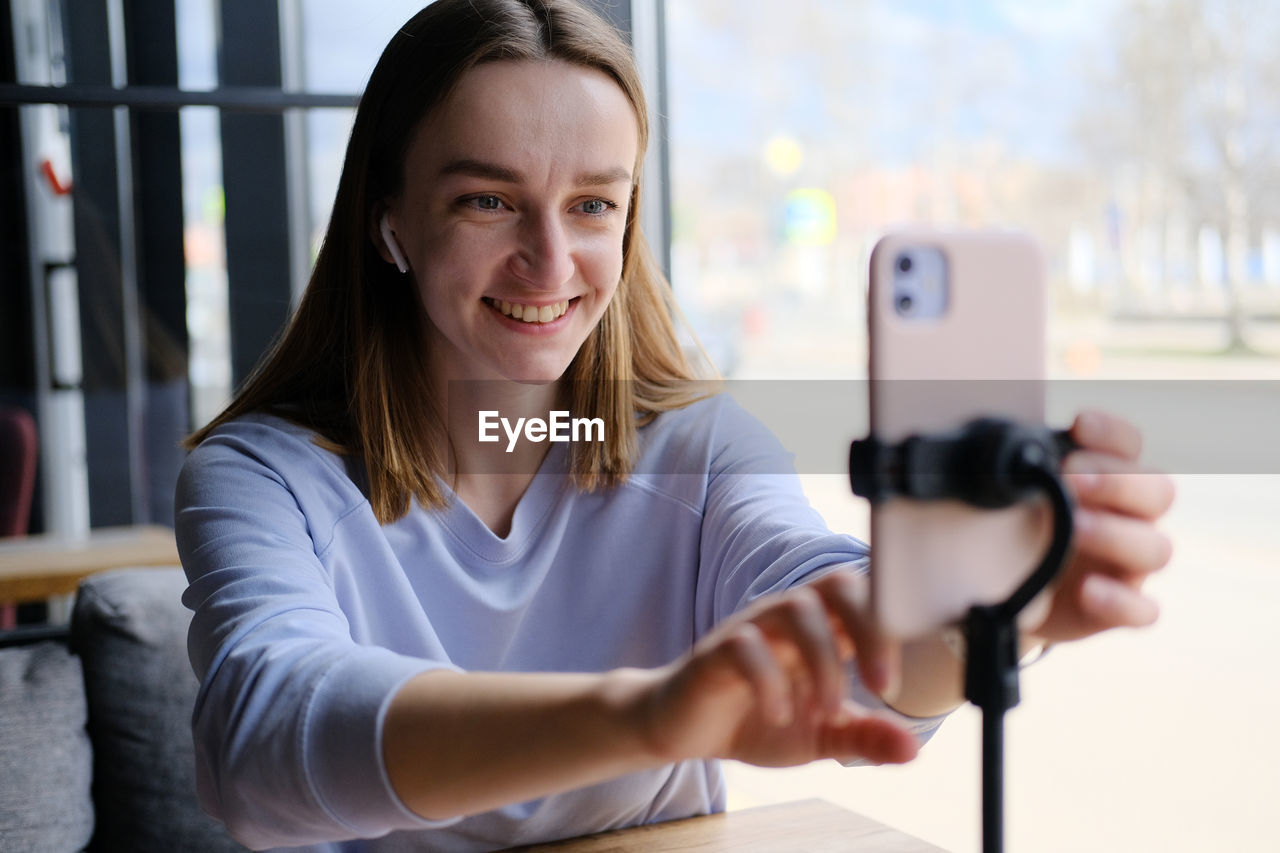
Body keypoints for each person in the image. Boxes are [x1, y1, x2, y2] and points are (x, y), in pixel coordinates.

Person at [175, 1, 1175, 850]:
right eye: (487, 200)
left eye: (592, 206)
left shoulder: (699, 450)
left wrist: (987, 604)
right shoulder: (264, 475)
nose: (551, 260)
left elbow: (835, 623)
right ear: (387, 217)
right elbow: (262, 742)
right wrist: (647, 714)